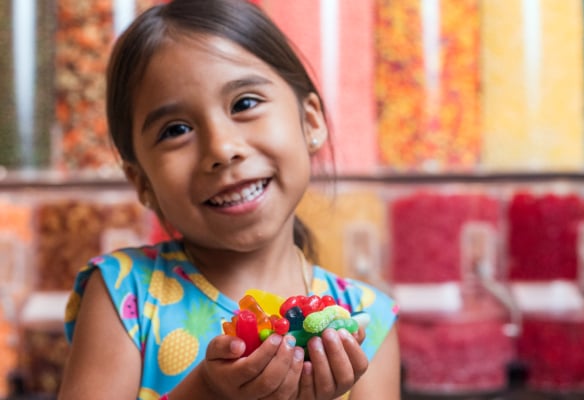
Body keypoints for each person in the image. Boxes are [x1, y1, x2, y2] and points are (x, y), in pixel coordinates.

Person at [58, 0, 400, 398]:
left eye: (245, 104)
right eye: (176, 130)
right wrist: (204, 392)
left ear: (310, 122)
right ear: (142, 182)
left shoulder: (365, 322)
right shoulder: (124, 293)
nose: (222, 148)